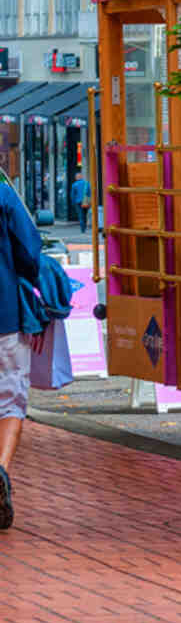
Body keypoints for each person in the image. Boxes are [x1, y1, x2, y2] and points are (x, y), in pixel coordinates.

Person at [0, 179, 44, 530]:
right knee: (11, 398)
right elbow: (29, 251)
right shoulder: (2, 193)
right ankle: (0, 469)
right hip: (4, 314)